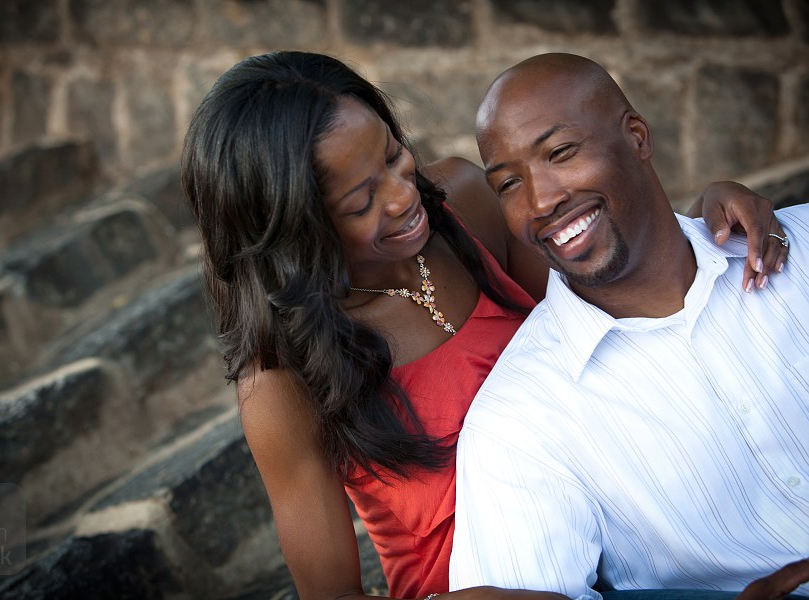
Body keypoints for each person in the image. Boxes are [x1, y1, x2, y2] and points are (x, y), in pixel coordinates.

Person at [180, 50, 789, 600]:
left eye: (395, 156)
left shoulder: (462, 202)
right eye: (361, 203)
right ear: (293, 228)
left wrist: (702, 227)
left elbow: (600, 289)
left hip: (624, 543)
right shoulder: (281, 378)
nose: (402, 197)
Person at [450, 52, 809, 599]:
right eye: (507, 184)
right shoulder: (519, 424)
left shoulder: (798, 250)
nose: (540, 200)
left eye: (560, 153)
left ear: (638, 138)